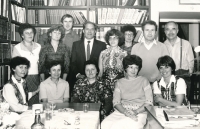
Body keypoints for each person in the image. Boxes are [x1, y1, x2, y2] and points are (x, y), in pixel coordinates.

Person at [101, 55, 153, 129]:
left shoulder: (144, 80)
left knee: (118, 126)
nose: (133, 70)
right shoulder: (119, 82)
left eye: (136, 67)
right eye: (131, 67)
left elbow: (149, 102)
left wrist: (135, 112)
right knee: (105, 124)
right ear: (126, 68)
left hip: (139, 112)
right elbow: (116, 103)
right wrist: (125, 112)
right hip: (121, 112)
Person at [71, 21, 106, 93]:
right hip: (79, 80)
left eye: (92, 29)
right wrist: (77, 74)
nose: (89, 31)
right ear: (83, 31)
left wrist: (99, 75)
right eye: (87, 29)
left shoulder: (102, 45)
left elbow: (103, 63)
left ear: (95, 31)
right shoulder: (76, 44)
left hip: (96, 80)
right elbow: (73, 62)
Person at [12, 23, 41, 106]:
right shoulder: (17, 48)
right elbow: (15, 66)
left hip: (36, 78)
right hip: (23, 78)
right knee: (24, 102)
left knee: (36, 103)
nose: (30, 35)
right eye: (27, 33)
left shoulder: (39, 46)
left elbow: (41, 64)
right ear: (22, 35)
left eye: (31, 32)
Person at [164, 21, 194, 99]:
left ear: (177, 30)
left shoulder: (186, 43)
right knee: (170, 100)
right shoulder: (162, 45)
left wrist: (189, 73)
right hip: (168, 76)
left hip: (183, 75)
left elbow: (191, 60)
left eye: (173, 29)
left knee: (184, 100)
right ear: (165, 31)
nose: (170, 32)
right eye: (168, 29)